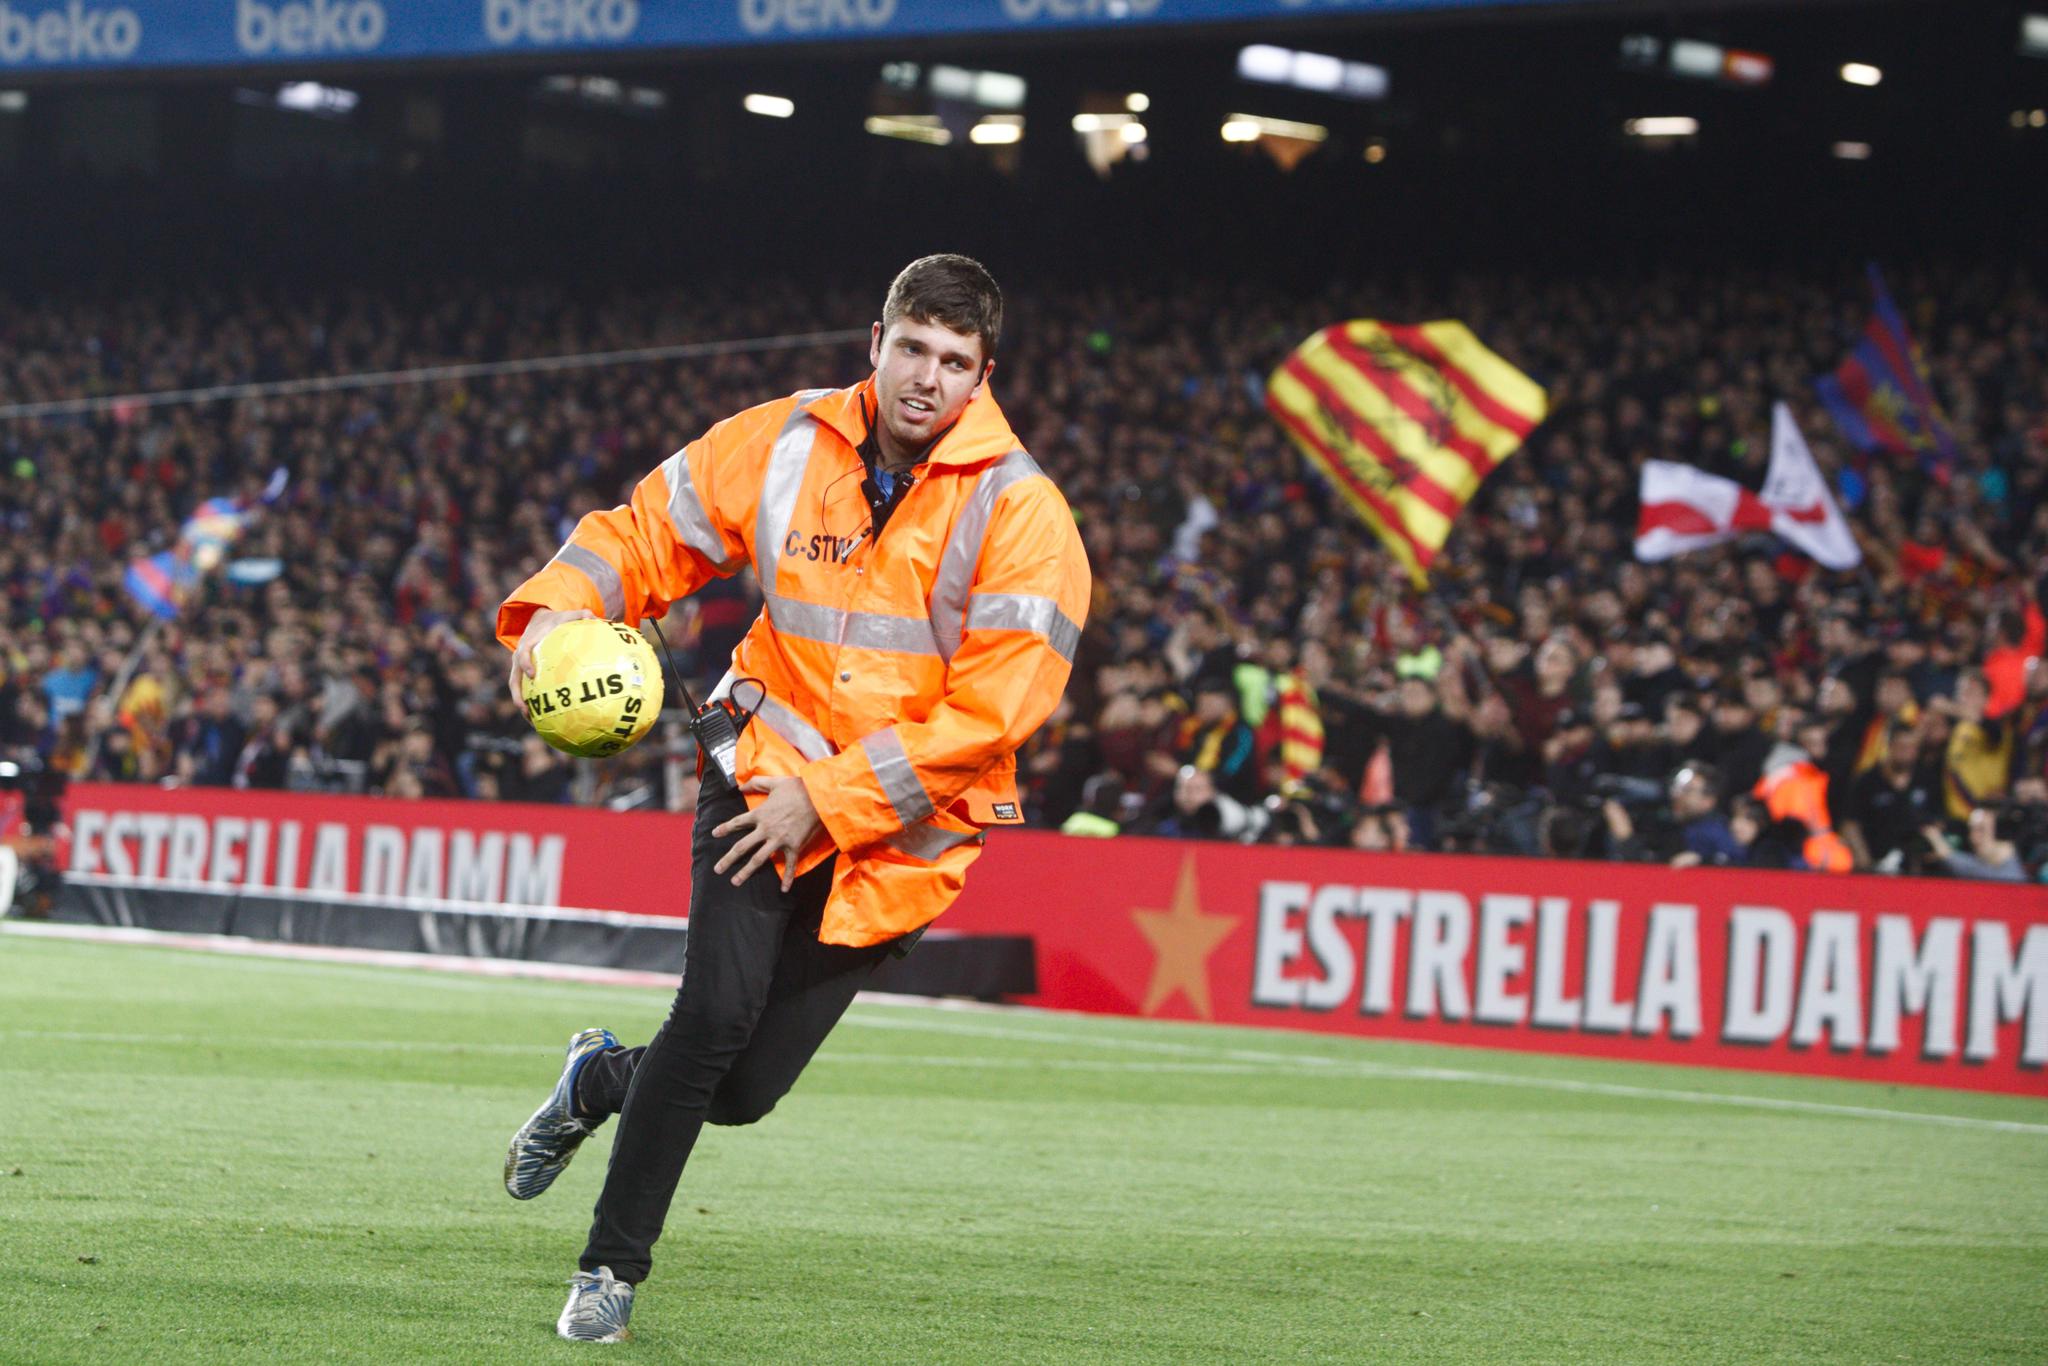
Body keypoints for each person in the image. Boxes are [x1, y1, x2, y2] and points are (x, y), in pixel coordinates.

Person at [493, 255, 1090, 1342]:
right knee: (712, 1017)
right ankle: (608, 1273)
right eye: (910, 347)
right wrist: (554, 606)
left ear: (981, 375)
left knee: (742, 1087)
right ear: (875, 341)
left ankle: (595, 1080)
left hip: (895, 839)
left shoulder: (1025, 514)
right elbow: (644, 530)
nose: (925, 377)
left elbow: (992, 714)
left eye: (952, 362)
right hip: (752, 767)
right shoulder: (782, 441)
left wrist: (830, 798)